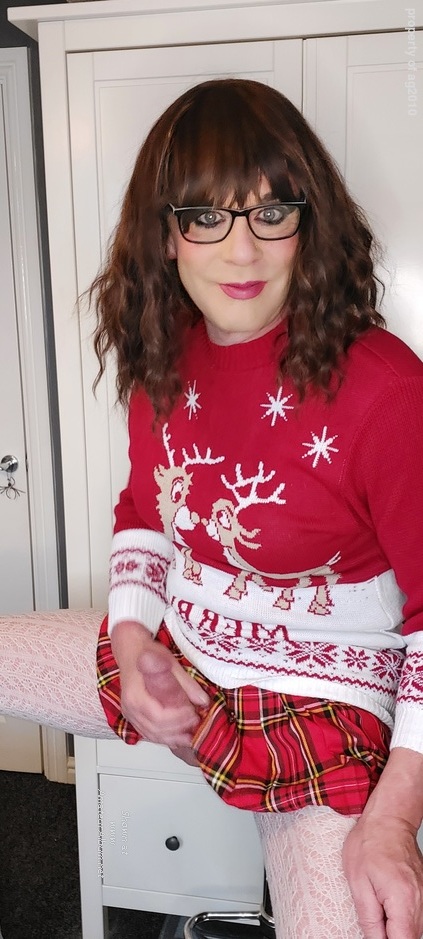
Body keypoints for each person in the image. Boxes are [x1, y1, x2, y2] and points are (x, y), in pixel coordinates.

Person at [1, 78, 423, 939]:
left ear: (309, 221)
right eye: (206, 217)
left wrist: (392, 817)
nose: (242, 250)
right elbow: (143, 512)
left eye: (271, 212)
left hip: (321, 700)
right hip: (183, 649)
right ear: (165, 233)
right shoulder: (164, 358)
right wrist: (131, 640)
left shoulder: (385, 389)